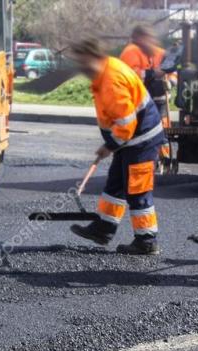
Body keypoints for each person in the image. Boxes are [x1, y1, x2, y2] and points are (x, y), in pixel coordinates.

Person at [68, 38, 166, 255]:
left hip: (141, 140)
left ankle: (147, 240)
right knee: (116, 183)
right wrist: (112, 143)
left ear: (92, 56)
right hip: (130, 140)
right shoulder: (105, 70)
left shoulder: (112, 79)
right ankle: (103, 228)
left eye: (81, 62)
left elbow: (126, 123)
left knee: (137, 190)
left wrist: (109, 145)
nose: (80, 68)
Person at [120, 25, 171, 160]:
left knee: (162, 130)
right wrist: (154, 73)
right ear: (139, 38)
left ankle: (163, 158)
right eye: (147, 38)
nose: (151, 41)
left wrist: (169, 81)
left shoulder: (159, 52)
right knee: (147, 131)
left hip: (158, 97)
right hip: (141, 100)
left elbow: (171, 70)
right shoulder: (131, 51)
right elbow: (131, 75)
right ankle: (152, 159)